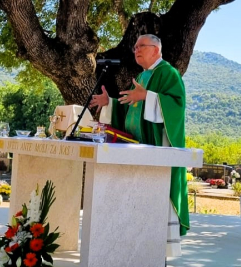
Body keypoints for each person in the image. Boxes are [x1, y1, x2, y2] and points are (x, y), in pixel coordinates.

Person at [90, 34, 187, 257]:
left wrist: (150, 97)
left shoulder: (168, 73)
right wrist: (111, 103)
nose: (136, 50)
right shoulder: (142, 76)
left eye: (140, 46)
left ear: (156, 49)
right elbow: (130, 110)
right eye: (134, 47)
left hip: (157, 149)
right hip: (136, 150)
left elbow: (177, 105)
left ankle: (156, 250)